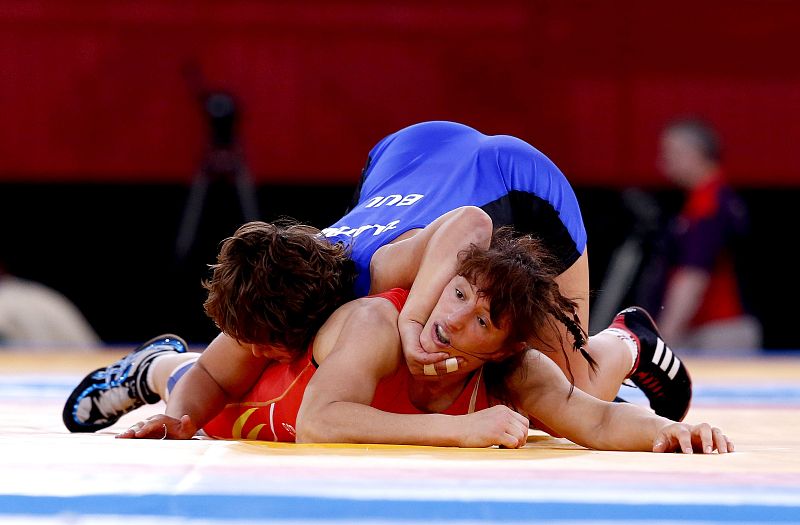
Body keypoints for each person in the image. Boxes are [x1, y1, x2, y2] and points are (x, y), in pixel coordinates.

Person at [63, 228, 732, 454]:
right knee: (201, 388)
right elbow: (323, 420)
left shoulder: (514, 371)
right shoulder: (379, 316)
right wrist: (460, 433)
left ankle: (629, 343)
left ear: (502, 347)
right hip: (280, 390)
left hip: (321, 401)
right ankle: (154, 364)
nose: (457, 316)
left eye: (483, 320)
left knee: (569, 391)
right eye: (461, 291)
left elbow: (589, 415)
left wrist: (668, 433)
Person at [647, 118, 761, 352]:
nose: (662, 162)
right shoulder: (709, 201)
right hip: (711, 330)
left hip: (719, 333)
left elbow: (693, 277)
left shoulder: (709, 205)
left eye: (669, 153)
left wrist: (664, 340)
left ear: (694, 153)